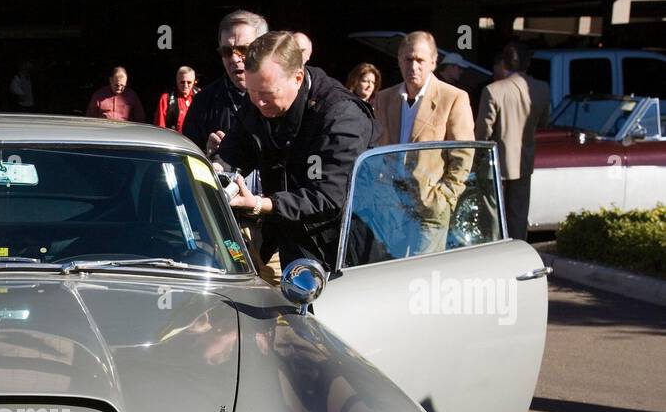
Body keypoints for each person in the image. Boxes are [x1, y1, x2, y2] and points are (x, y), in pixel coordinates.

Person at [218, 31, 378, 270]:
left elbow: (328, 196)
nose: (258, 103)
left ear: (297, 77)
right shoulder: (259, 98)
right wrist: (216, 168)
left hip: (342, 249)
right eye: (251, 93)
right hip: (286, 235)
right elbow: (236, 149)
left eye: (267, 94)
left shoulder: (341, 116)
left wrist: (261, 204)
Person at [372, 31, 475, 254]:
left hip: (430, 204)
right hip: (391, 206)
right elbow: (376, 148)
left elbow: (463, 153)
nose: (413, 66)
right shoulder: (384, 98)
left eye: (420, 60)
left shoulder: (453, 97)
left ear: (433, 62)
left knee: (421, 277)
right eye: (408, 59)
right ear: (400, 61)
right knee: (389, 273)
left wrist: (446, 195)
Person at [477, 41, 551, 239]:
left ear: (504, 64)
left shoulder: (493, 90)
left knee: (492, 217)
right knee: (518, 217)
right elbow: (544, 122)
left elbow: (482, 134)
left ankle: (495, 255)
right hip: (525, 160)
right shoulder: (542, 88)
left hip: (495, 163)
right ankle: (517, 255)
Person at [182, 9, 268, 158]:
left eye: (243, 49)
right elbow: (187, 163)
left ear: (264, 50)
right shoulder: (203, 103)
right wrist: (207, 158)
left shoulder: (285, 94)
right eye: (227, 51)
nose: (234, 59)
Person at [155, 67, 197, 132]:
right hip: (174, 139)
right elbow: (160, 126)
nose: (185, 85)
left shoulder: (200, 96)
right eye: (182, 82)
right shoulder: (166, 97)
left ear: (194, 81)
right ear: (177, 81)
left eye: (189, 82)